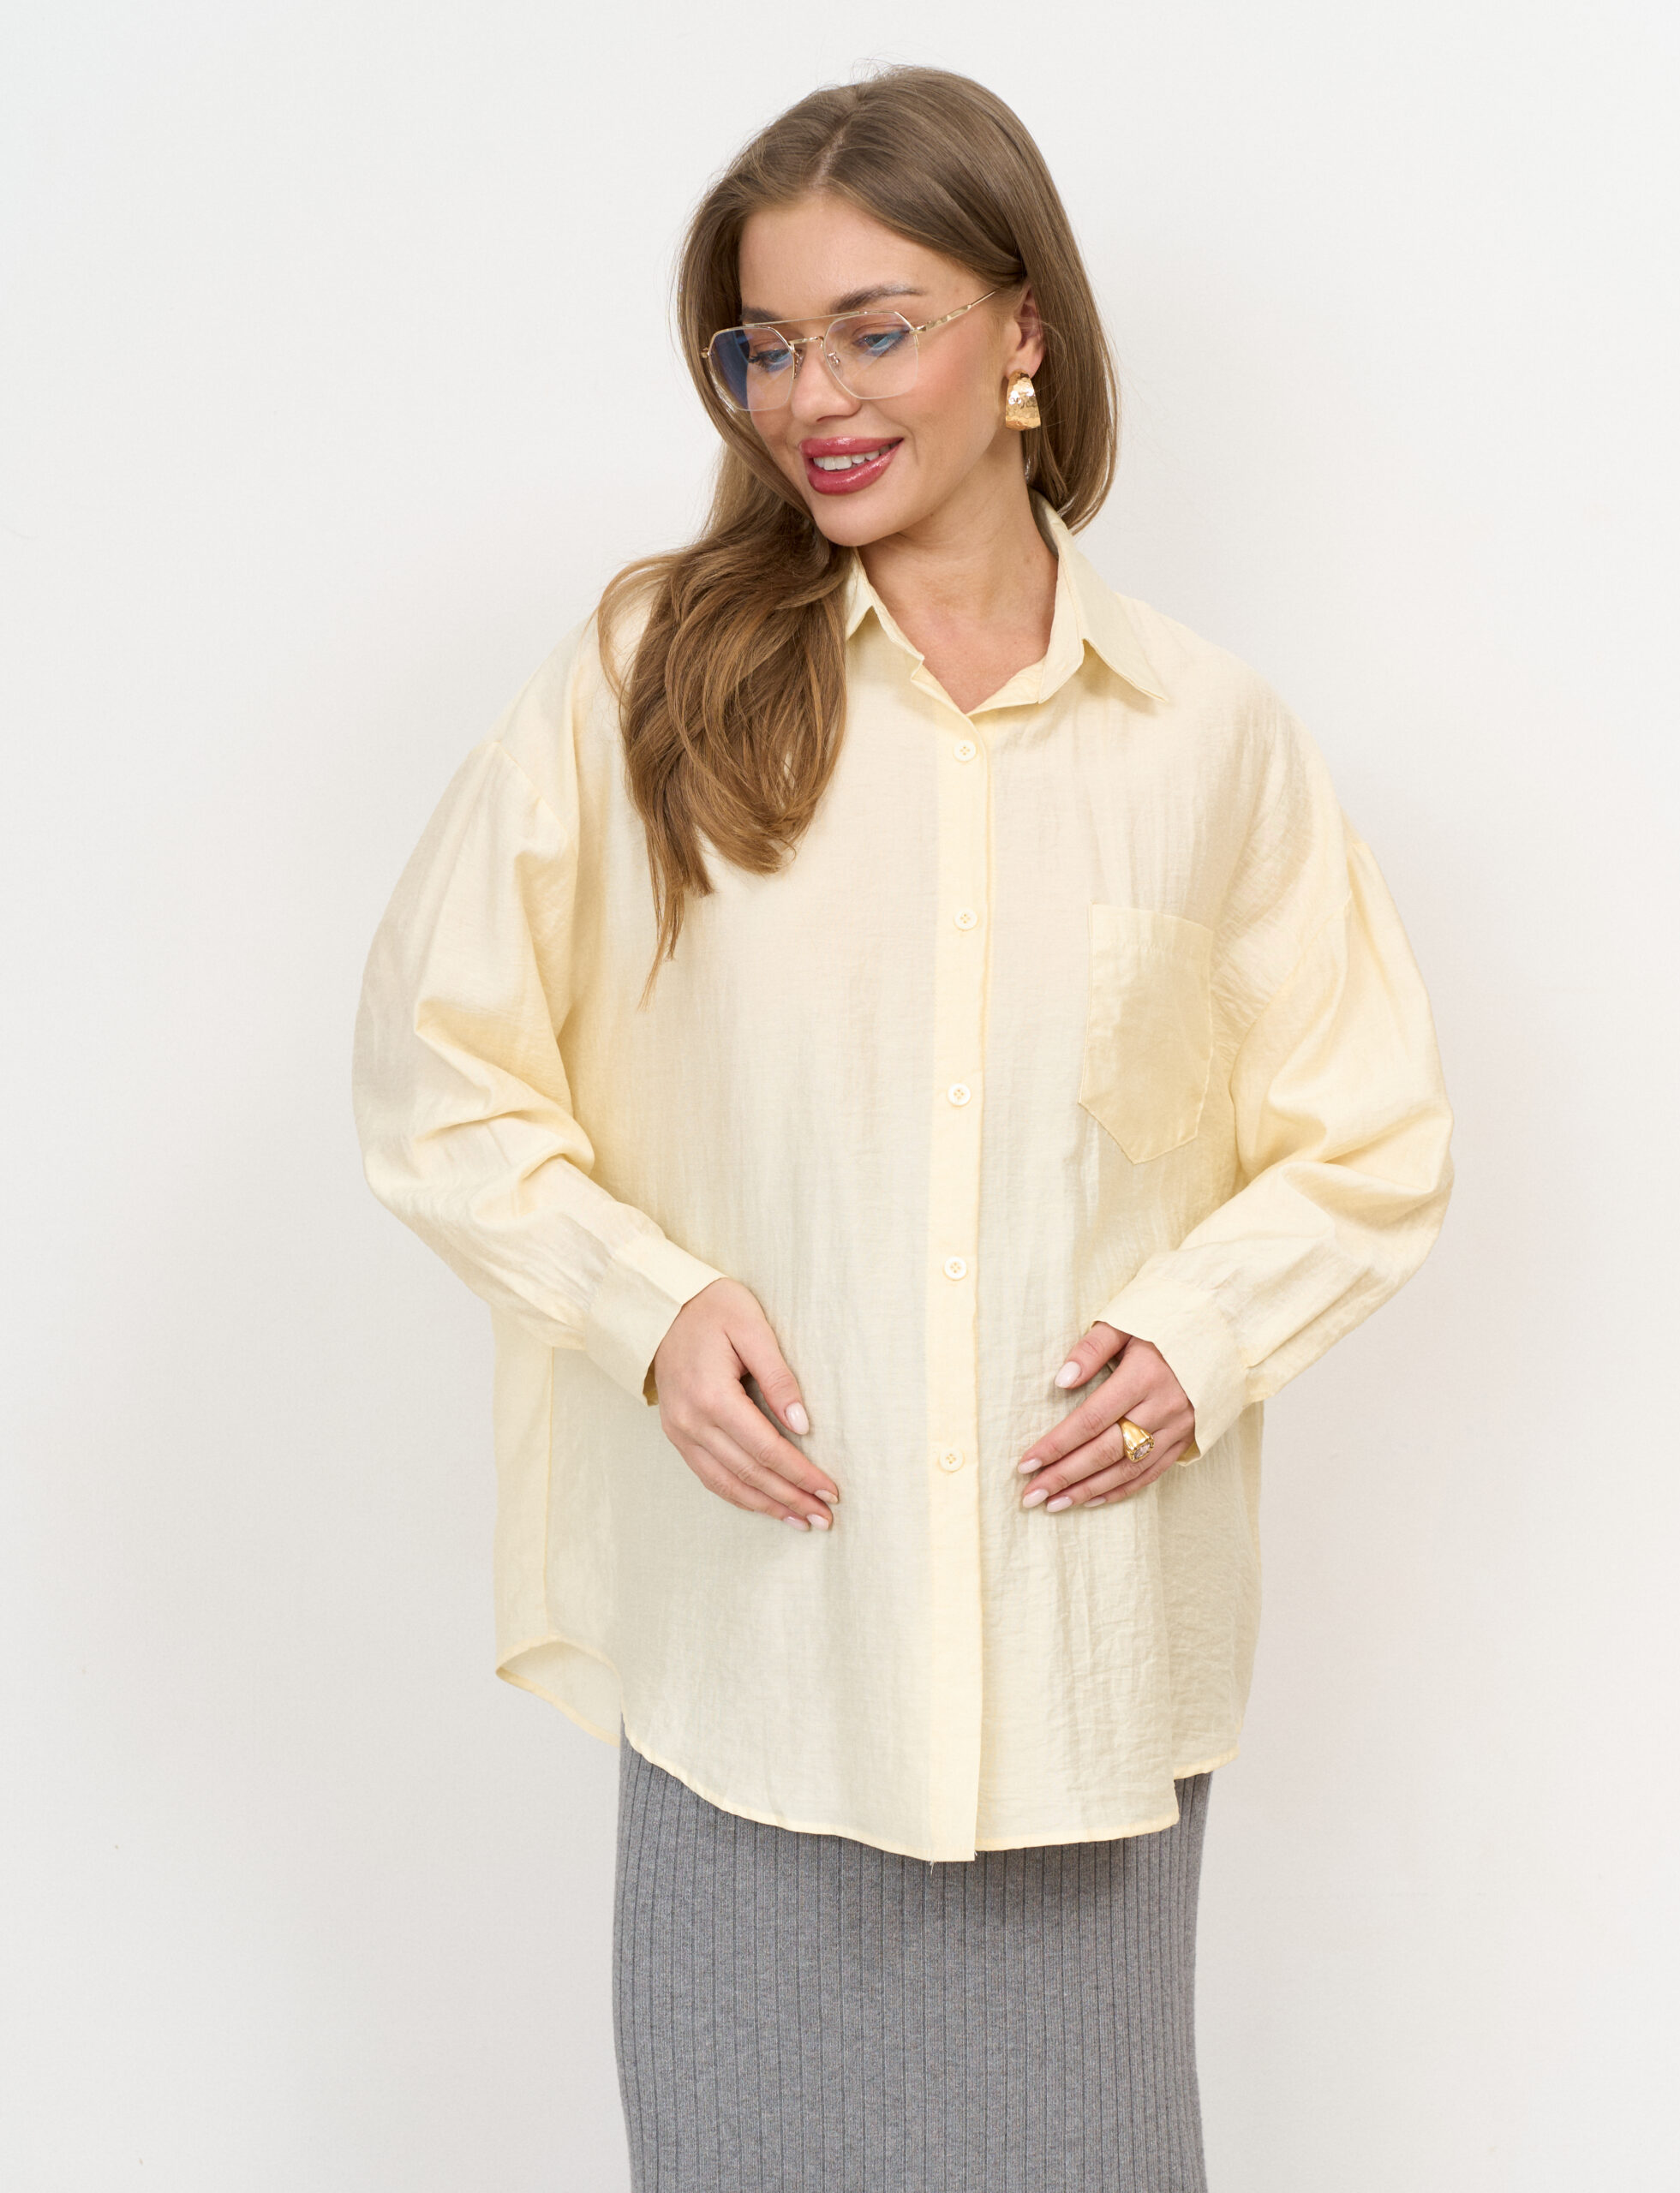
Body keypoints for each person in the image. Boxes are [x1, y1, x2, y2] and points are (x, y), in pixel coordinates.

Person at [353, 63, 1453, 2193]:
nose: (813, 400)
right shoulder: (650, 679)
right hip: (767, 1655)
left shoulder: (1209, 739)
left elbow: (1370, 1133)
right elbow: (436, 1062)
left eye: (875, 329)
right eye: (764, 345)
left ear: (1023, 329)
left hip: (1076, 1670)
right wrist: (647, 1304)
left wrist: (1207, 1329)